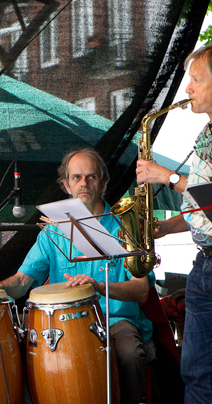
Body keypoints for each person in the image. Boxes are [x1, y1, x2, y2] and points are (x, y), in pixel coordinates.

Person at [0, 148, 155, 404]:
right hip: (61, 324)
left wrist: (98, 286)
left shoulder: (126, 226)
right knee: (10, 347)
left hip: (115, 320)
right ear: (66, 185)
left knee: (130, 352)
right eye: (76, 177)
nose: (84, 183)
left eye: (91, 177)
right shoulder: (53, 231)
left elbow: (141, 289)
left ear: (103, 183)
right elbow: (22, 282)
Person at [136, 44, 212, 403]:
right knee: (196, 371)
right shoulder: (207, 135)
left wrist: (165, 177)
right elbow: (203, 208)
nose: (187, 90)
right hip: (204, 266)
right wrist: (166, 228)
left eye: (196, 80)